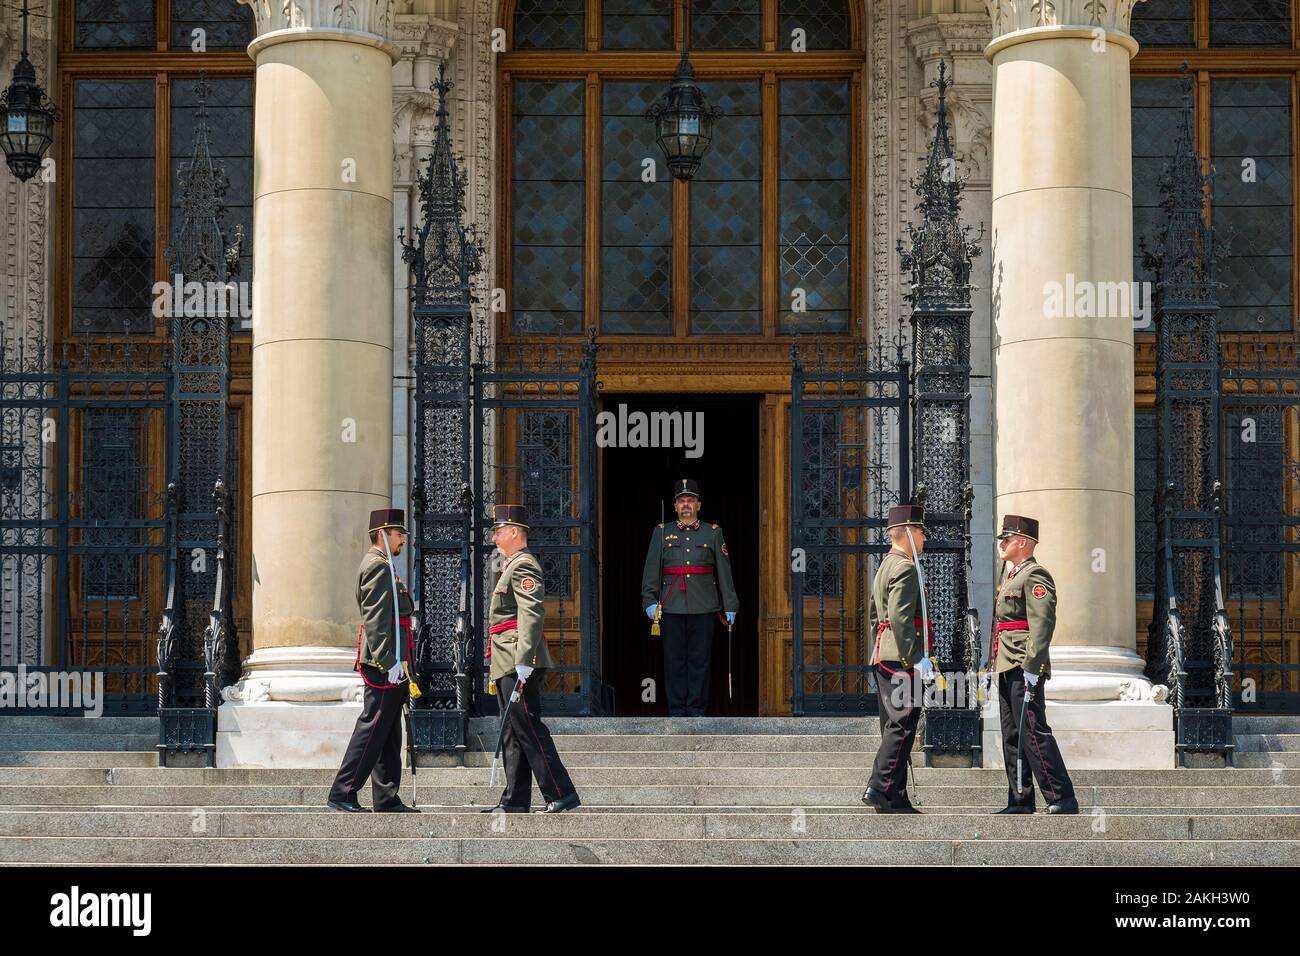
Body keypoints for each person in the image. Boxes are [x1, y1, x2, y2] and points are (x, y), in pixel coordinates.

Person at [480, 504, 581, 814]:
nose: (495, 535)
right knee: (513, 730)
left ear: (514, 532)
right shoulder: (511, 565)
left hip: (515, 657)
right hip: (505, 657)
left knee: (528, 726)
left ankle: (560, 792)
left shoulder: (523, 565)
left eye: (499, 530)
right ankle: (514, 800)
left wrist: (524, 658)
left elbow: (531, 612)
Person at [328, 508, 419, 813]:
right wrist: (389, 661)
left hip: (392, 661)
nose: (403, 539)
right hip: (383, 663)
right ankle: (343, 791)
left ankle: (386, 796)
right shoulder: (377, 567)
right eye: (399, 534)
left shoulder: (385, 566)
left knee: (390, 732)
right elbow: (376, 621)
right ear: (383, 534)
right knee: (372, 726)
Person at [986, 514, 1078, 815]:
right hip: (1005, 662)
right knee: (1012, 734)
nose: (1002, 543)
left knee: (1033, 731)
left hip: (1022, 662)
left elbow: (1042, 624)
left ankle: (1061, 797)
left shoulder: (1035, 575)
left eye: (1007, 539)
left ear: (1022, 542)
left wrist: (1032, 666)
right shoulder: (1010, 576)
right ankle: (1021, 798)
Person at [640, 479, 739, 717]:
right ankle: (676, 710)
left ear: (699, 505)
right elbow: (652, 569)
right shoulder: (661, 532)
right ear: (675, 506)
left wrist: (730, 604)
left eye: (691, 500)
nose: (686, 505)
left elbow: (724, 572)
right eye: (682, 501)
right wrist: (650, 600)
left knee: (699, 661)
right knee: (674, 662)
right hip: (671, 605)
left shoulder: (713, 532)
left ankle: (696, 710)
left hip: (704, 605)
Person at [862, 504, 934, 814]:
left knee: (893, 725)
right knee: (903, 725)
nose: (924, 539)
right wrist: (915, 658)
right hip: (901, 656)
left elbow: (874, 615)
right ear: (906, 532)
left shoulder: (884, 565)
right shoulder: (904, 567)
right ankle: (879, 786)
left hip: (884, 654)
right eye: (920, 532)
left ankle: (896, 795)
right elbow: (901, 618)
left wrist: (883, 648)